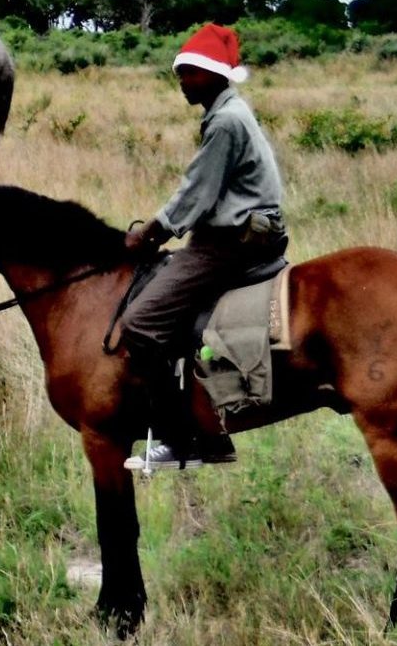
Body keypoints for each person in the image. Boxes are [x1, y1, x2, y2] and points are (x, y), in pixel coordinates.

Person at [121, 23, 288, 472]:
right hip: (245, 232)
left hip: (229, 244)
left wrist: (151, 233)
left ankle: (184, 439)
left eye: (193, 72)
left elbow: (197, 192)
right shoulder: (227, 111)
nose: (184, 81)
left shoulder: (226, 121)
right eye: (181, 72)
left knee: (140, 324)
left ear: (217, 74)